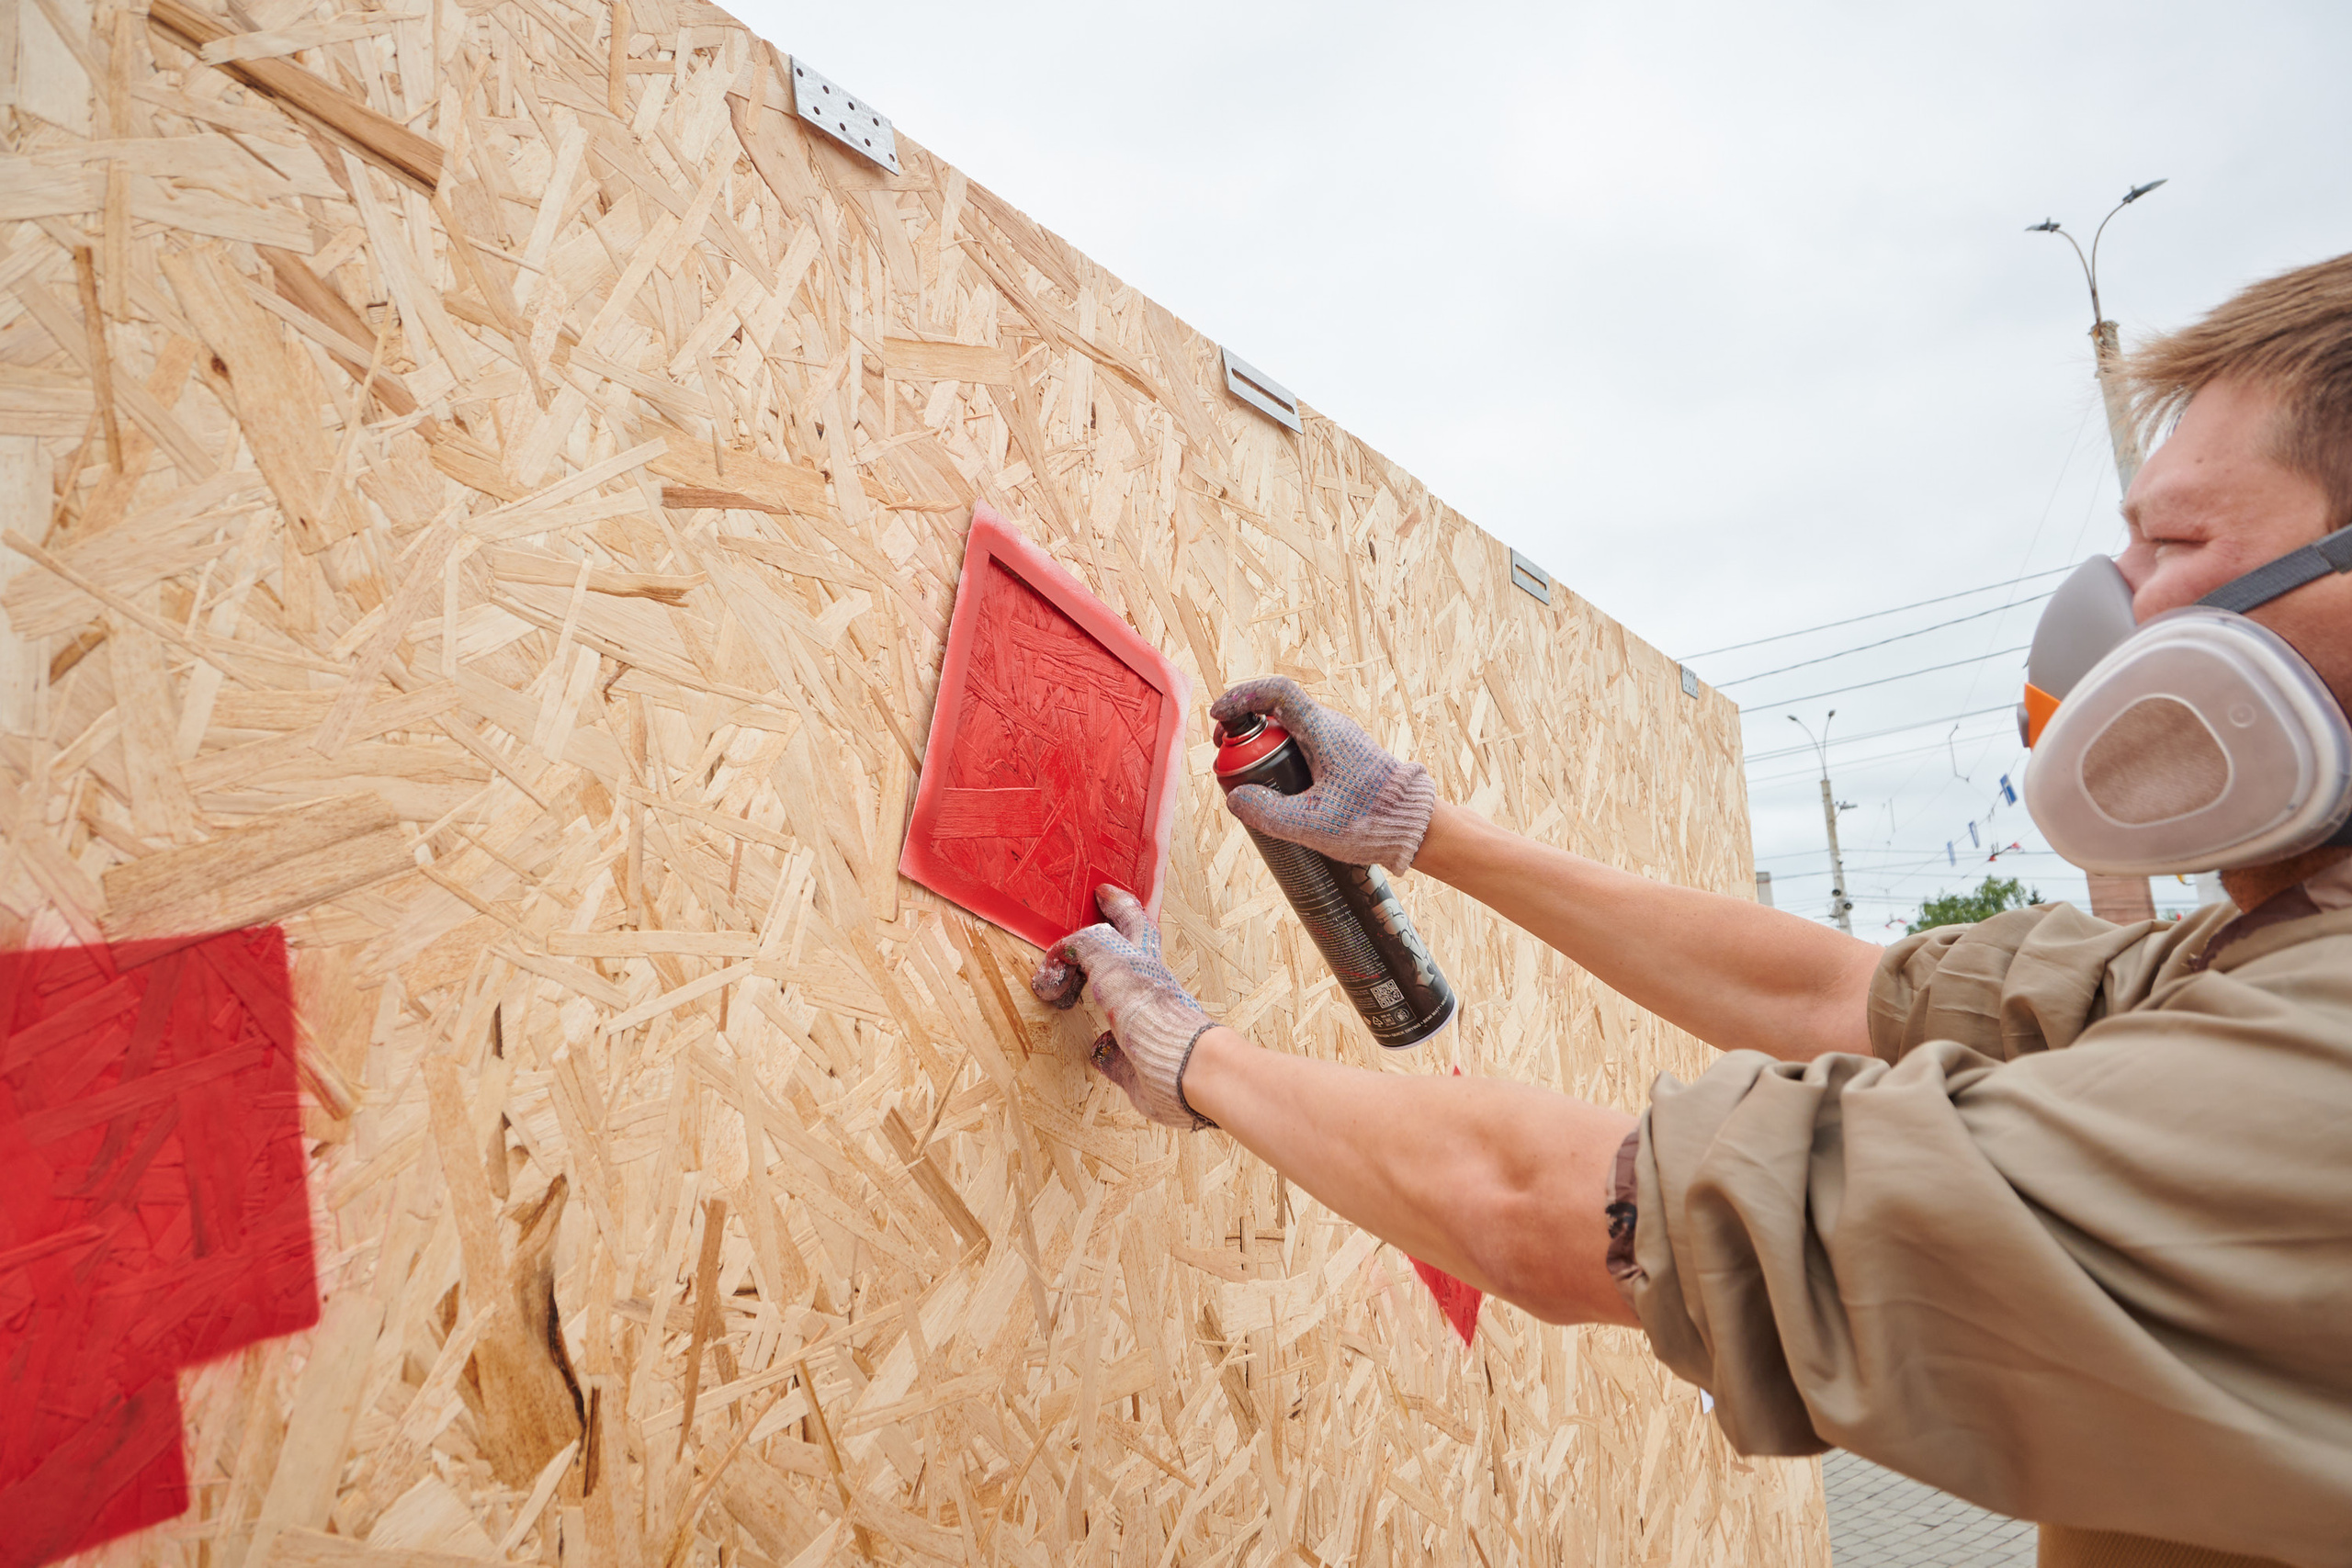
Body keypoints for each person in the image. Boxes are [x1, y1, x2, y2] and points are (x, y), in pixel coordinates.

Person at [1031, 253, 2352, 1568]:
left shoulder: (2303, 1075)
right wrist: (1421, 830)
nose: (2113, 606)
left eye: (2177, 544)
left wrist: (1192, 1057)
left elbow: (1556, 1210)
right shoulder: (2256, 956)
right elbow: (1833, 997)